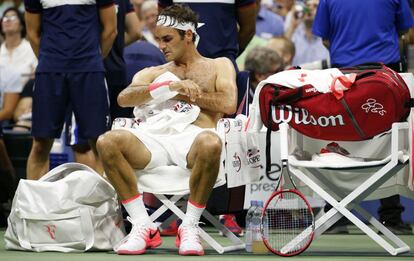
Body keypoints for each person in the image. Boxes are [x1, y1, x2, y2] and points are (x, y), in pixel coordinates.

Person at [96, 4, 237, 255]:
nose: (161, 46)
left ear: (189, 36)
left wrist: (189, 94)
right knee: (107, 141)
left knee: (211, 142)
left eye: (168, 39)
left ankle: (190, 226)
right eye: (158, 39)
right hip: (154, 141)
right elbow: (124, 99)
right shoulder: (155, 72)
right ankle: (143, 225)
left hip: (194, 140)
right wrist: (167, 88)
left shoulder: (219, 65)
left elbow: (228, 103)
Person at [312, 0, 414, 234]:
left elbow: (325, 39)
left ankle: (335, 214)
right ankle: (391, 218)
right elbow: (405, 31)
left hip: (343, 76)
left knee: (338, 139)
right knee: (391, 141)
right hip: (384, 76)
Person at [24, 0, 117, 180]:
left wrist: (92, 61)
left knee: (100, 143)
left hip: (87, 70)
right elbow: (32, 34)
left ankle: (103, 205)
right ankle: (34, 206)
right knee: (41, 143)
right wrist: (51, 61)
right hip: (52, 71)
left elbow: (110, 31)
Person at [158, 0, 257, 69]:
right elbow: (163, 26)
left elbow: (248, 29)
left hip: (223, 66)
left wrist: (229, 55)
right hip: (180, 69)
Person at [0, 7, 37, 86]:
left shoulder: (31, 49)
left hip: (27, 95)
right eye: (5, 17)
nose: (8, 20)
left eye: (13, 17)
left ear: (21, 25)